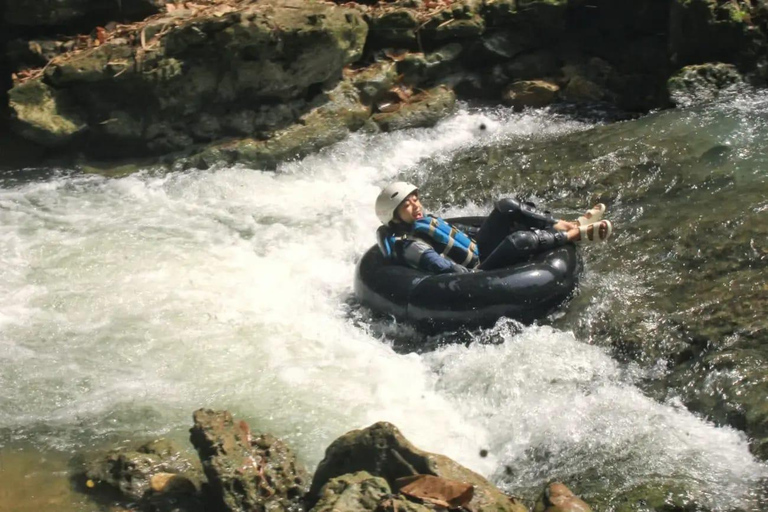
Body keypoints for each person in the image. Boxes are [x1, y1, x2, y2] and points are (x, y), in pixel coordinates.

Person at [374, 181, 612, 274]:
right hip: (477, 271)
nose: (415, 205)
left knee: (505, 206)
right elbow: (448, 271)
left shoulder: (423, 221)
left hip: (478, 251)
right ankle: (572, 235)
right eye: (406, 205)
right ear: (394, 217)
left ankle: (564, 224)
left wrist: (495, 230)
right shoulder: (410, 245)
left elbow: (461, 236)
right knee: (519, 240)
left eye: (415, 199)